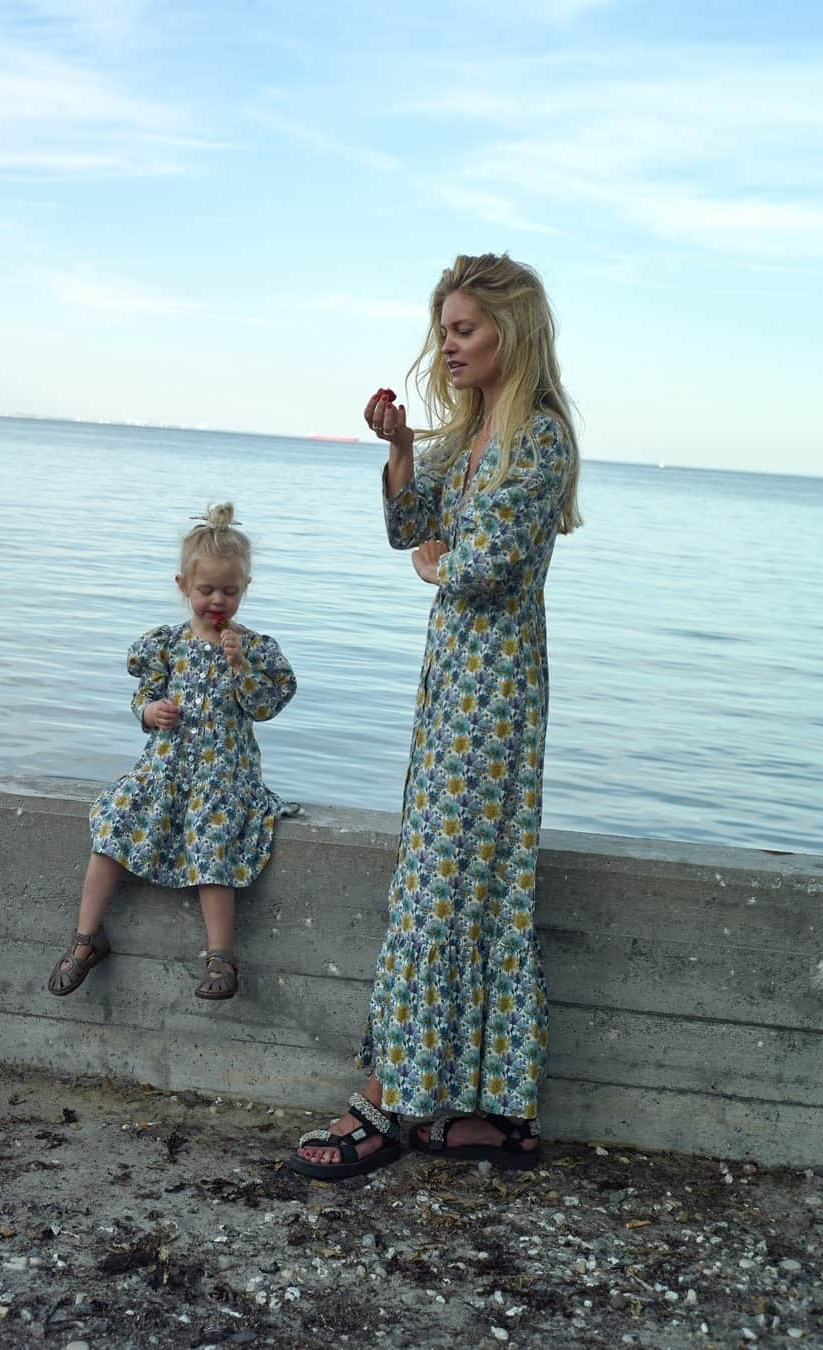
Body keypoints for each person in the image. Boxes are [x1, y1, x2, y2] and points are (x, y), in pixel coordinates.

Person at [291, 252, 581, 1179]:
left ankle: (383, 1105)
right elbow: (405, 524)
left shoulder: (535, 437)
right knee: (460, 885)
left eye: (464, 329)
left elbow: (482, 564)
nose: (447, 346)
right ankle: (496, 1110)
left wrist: (435, 561)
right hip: (455, 681)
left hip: (493, 687)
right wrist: (402, 451)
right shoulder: (475, 432)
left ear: (513, 332)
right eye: (443, 331)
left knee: (444, 887)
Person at [47, 503, 297, 1001]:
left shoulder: (258, 649)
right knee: (114, 823)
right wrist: (150, 712)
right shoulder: (166, 645)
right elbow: (142, 696)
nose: (217, 601)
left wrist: (241, 666)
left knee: (212, 838)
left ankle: (221, 956)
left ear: (245, 589)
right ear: (184, 586)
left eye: (229, 590)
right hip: (163, 769)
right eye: (206, 590)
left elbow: (266, 706)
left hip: (223, 775)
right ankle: (85, 938)